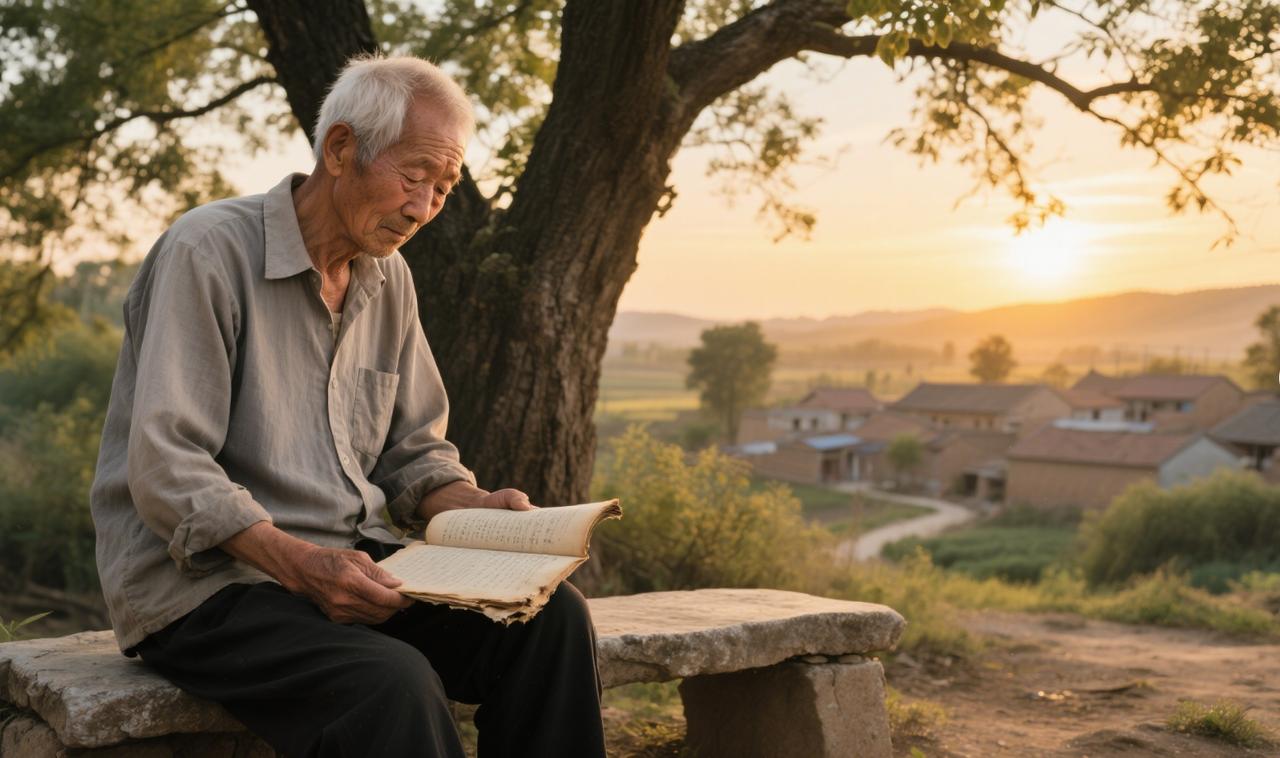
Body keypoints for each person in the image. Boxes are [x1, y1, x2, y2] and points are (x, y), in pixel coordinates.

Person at [88, 54, 606, 758]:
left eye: (443, 189)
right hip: (209, 591)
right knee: (394, 680)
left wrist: (475, 506)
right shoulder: (208, 251)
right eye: (413, 177)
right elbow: (168, 466)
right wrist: (299, 564)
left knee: (552, 624)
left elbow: (413, 454)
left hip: (351, 570)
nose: (423, 208)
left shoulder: (388, 278)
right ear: (340, 149)